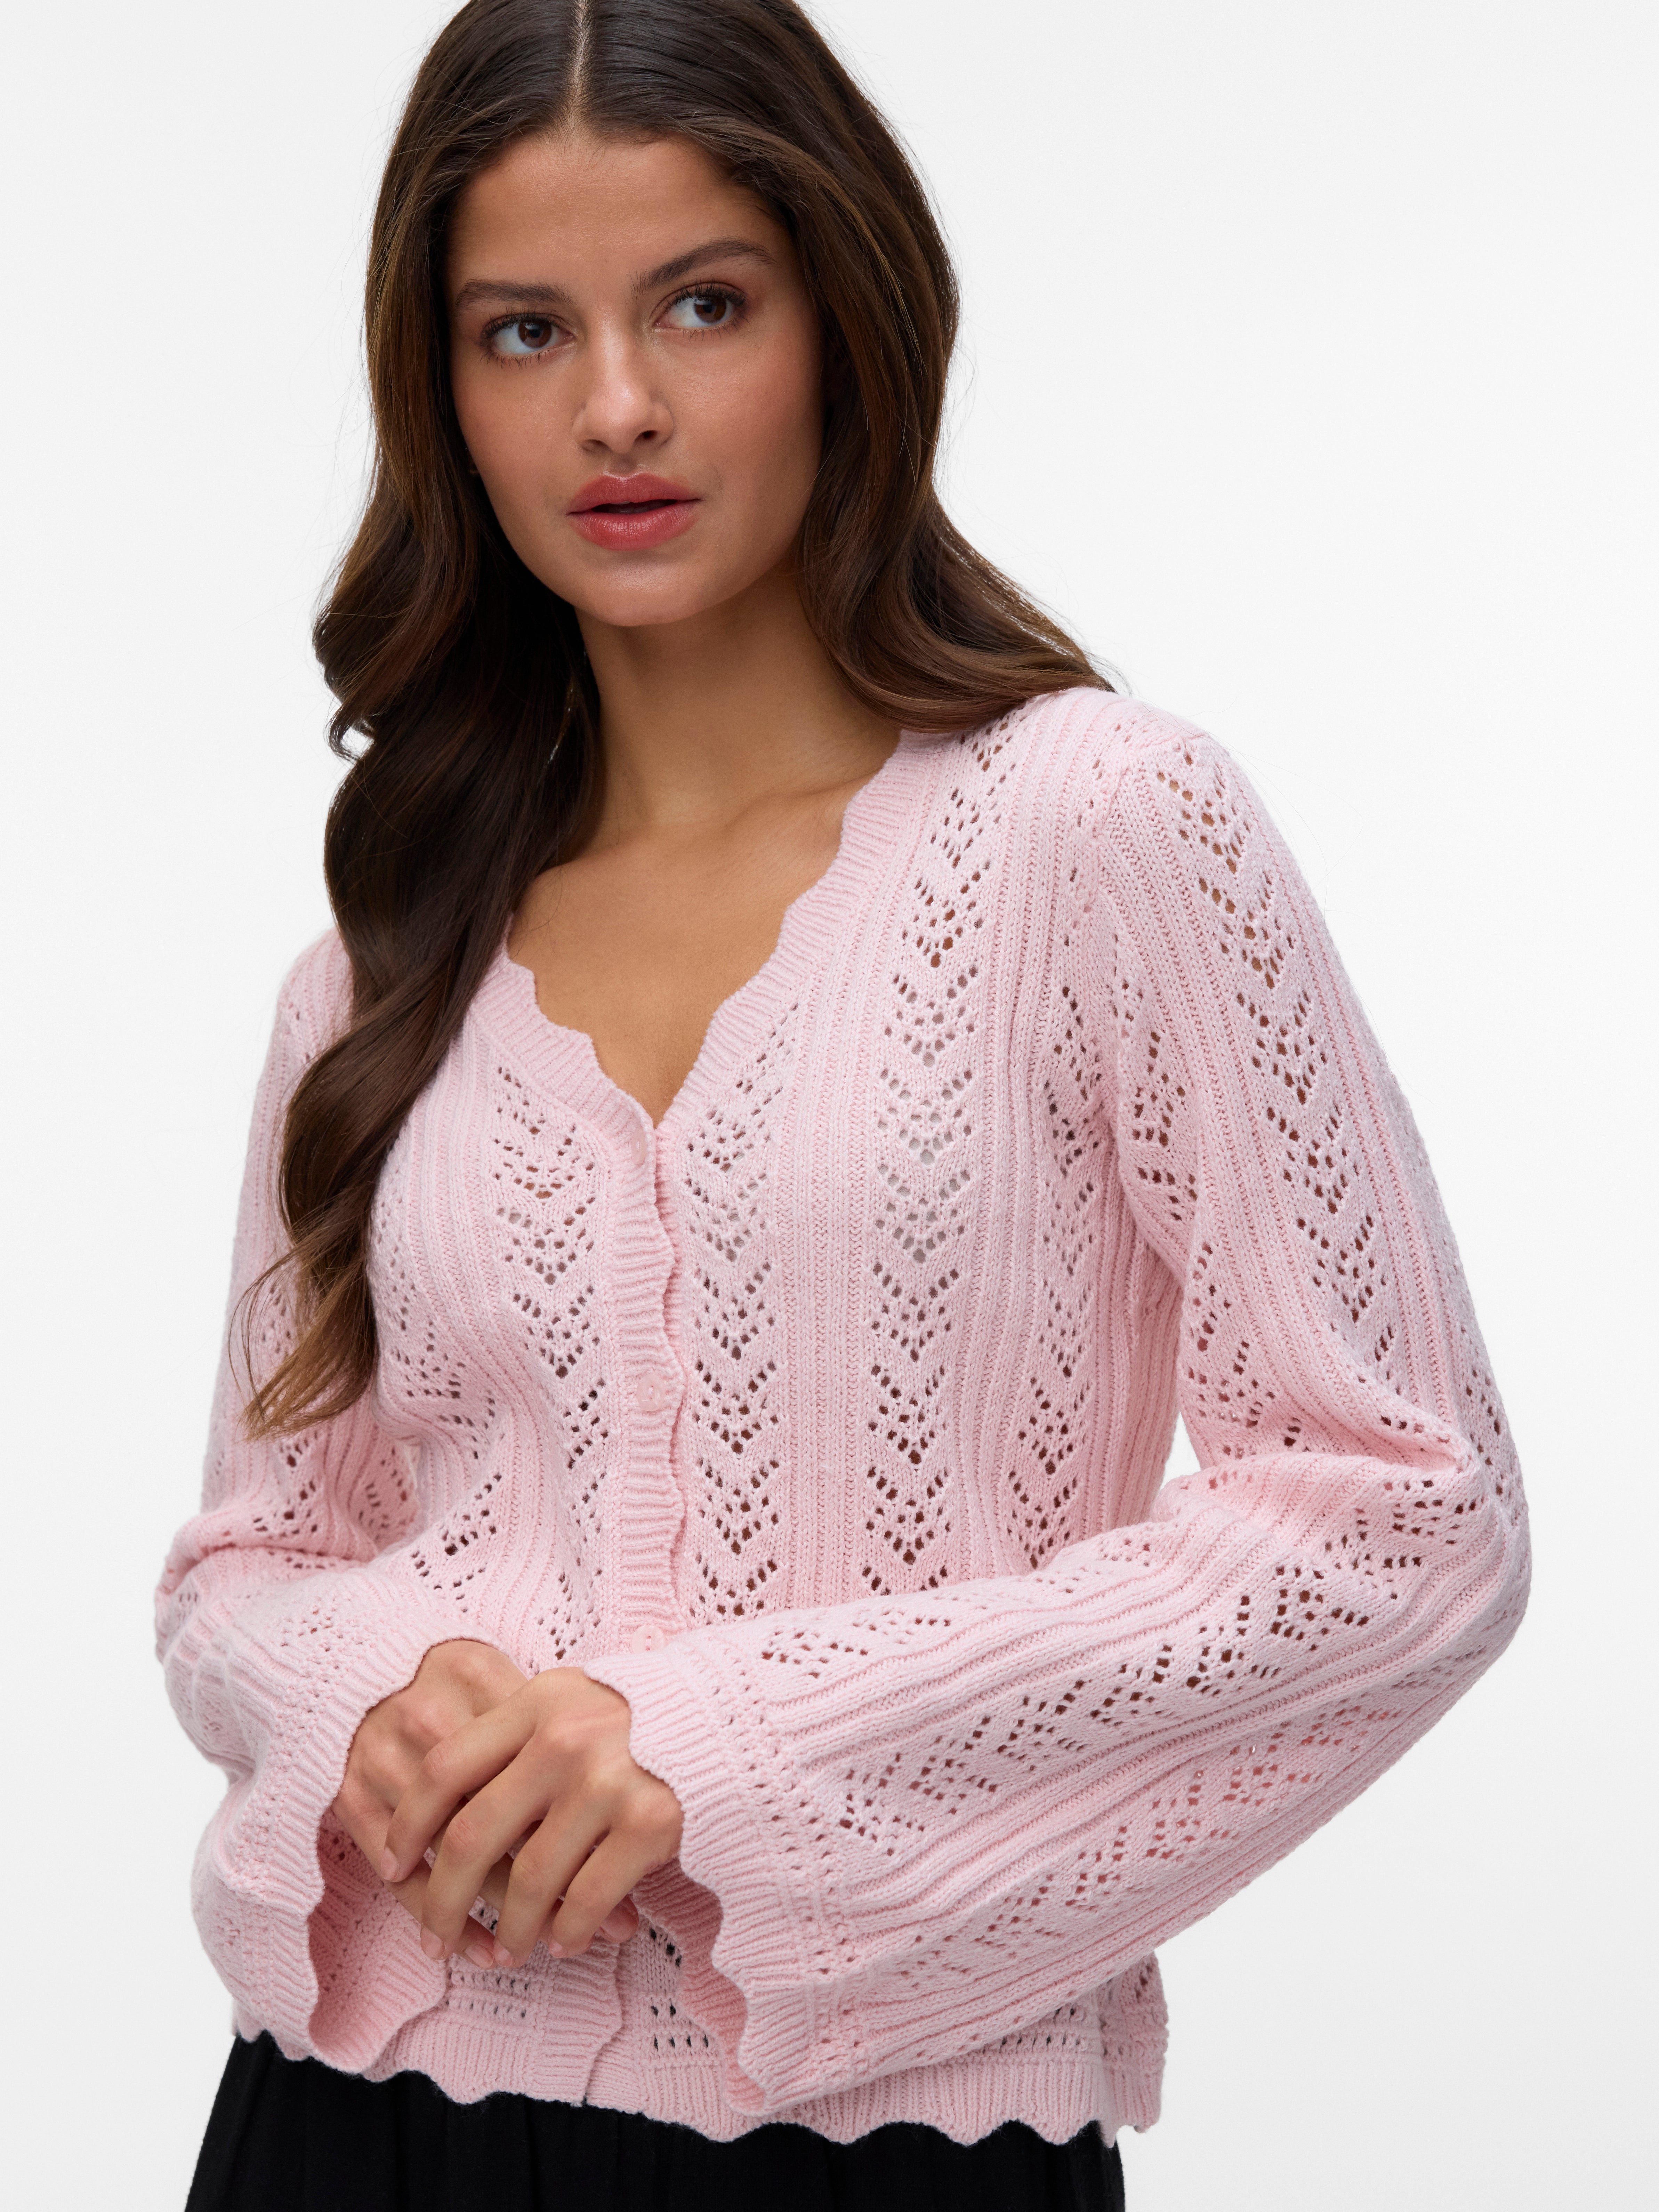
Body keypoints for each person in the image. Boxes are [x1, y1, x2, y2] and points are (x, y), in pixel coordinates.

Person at [158, 2, 1531, 2205]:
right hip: (351, 2126)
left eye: (702, 304)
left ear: (843, 324)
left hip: (881, 2140)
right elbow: (254, 1558)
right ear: (445, 395)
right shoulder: (380, 962)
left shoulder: (1098, 828)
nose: (616, 405)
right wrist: (368, 1702)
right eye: (524, 331)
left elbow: (1405, 1514)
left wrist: (712, 1749)